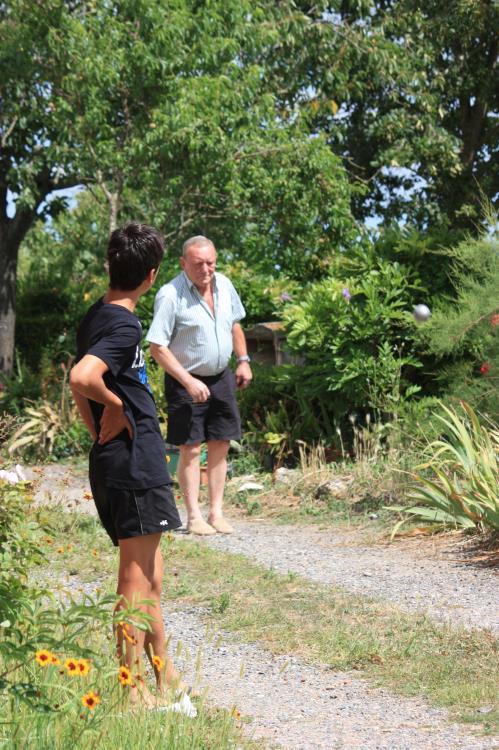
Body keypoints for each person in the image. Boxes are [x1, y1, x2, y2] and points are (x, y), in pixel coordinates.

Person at [70, 222, 186, 708]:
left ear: (108, 266)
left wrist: (95, 427)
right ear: (151, 275)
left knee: (152, 577)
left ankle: (169, 682)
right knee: (134, 585)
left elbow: (76, 383)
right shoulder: (122, 324)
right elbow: (84, 375)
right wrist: (114, 409)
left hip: (120, 459)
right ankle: (130, 691)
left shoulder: (96, 315)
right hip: (134, 463)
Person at [146, 235, 252, 536]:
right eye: (198, 264)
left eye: (211, 262)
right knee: (190, 448)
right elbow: (157, 347)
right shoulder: (170, 294)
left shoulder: (225, 285)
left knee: (221, 443)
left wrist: (243, 359)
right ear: (183, 263)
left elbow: (234, 324)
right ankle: (193, 517)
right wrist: (188, 380)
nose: (206, 269)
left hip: (221, 376)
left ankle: (216, 512)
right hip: (185, 379)